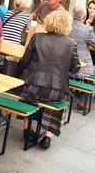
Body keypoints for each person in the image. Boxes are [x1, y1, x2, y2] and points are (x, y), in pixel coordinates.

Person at [15, 9, 80, 148]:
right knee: (58, 100)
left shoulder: (37, 37)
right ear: (67, 24)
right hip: (56, 90)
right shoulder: (71, 43)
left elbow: (23, 62)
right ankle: (47, 137)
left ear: (48, 21)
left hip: (31, 85)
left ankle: (27, 129)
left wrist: (16, 78)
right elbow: (76, 69)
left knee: (29, 95)